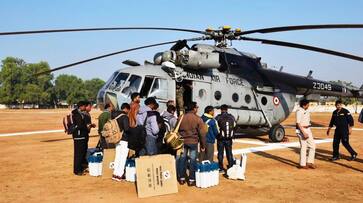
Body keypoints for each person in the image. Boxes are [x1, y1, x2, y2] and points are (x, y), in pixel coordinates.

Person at [177, 102, 207, 186]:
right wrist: (203, 145)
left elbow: (176, 129)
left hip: (182, 142)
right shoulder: (198, 119)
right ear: (194, 108)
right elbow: (202, 134)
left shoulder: (181, 117)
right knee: (193, 160)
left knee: (182, 159)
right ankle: (191, 179)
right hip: (193, 142)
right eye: (197, 107)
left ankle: (182, 178)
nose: (197, 109)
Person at [112, 103, 131, 181]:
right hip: (124, 139)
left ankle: (115, 174)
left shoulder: (115, 116)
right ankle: (120, 175)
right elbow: (126, 129)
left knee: (117, 156)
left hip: (117, 138)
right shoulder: (125, 117)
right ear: (126, 109)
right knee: (123, 157)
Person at [296, 99, 316, 169]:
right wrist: (303, 133)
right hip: (302, 130)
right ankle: (302, 164)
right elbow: (298, 123)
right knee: (303, 147)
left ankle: (310, 162)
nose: (309, 105)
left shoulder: (307, 110)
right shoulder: (299, 111)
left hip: (308, 129)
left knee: (312, 146)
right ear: (304, 105)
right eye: (308, 104)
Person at [215, 104, 236, 172]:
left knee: (220, 153)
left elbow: (215, 127)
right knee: (229, 153)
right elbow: (235, 126)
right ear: (227, 109)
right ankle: (230, 167)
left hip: (220, 139)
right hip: (229, 139)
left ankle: (221, 168)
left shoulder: (218, 117)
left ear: (221, 110)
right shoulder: (231, 117)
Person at [71, 101, 89, 176]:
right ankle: (77, 170)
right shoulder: (77, 114)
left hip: (81, 136)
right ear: (81, 106)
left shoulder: (78, 113)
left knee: (81, 153)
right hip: (79, 136)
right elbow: (80, 125)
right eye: (84, 106)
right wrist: (87, 126)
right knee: (78, 154)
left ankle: (80, 168)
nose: (85, 108)